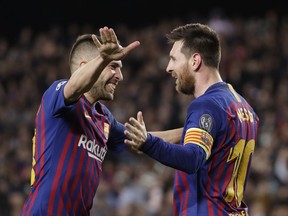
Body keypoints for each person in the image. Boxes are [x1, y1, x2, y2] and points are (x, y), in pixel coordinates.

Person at [20, 27, 182, 216]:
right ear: (84, 67)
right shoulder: (57, 95)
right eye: (113, 67)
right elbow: (73, 87)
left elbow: (140, 141)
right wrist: (103, 59)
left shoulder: (104, 117)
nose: (120, 76)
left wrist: (192, 131)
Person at [124, 23, 259, 216]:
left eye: (173, 59)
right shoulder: (245, 109)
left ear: (195, 61)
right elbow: (204, 137)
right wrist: (131, 136)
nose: (168, 67)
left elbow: (192, 158)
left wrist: (148, 143)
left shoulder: (206, 105)